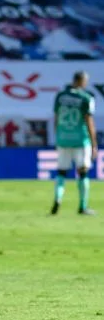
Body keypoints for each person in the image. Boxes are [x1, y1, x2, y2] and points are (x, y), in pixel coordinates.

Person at [52, 70, 97, 215]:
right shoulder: (86, 98)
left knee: (61, 172)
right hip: (80, 139)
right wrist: (94, 144)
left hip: (63, 138)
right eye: (85, 81)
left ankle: (57, 200)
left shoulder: (60, 96)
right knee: (83, 171)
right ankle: (83, 206)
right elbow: (89, 121)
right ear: (81, 81)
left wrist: (57, 136)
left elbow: (56, 118)